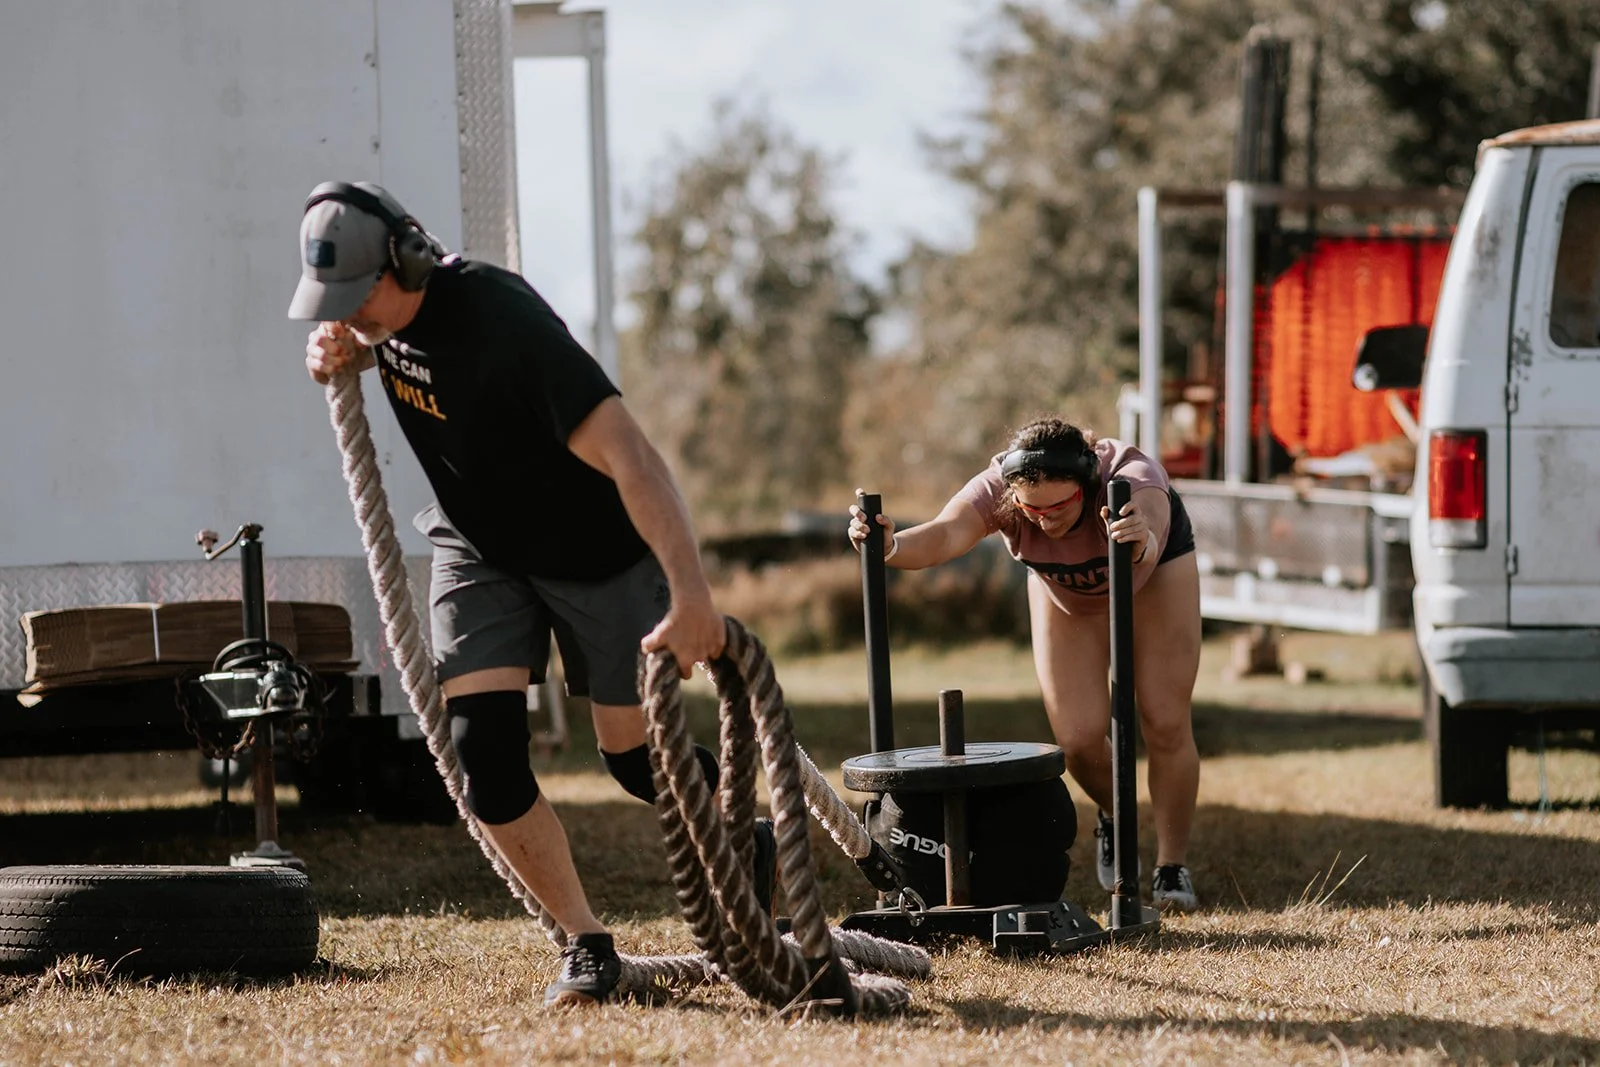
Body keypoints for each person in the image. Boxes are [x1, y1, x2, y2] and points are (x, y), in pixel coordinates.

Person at [288, 181, 775, 1006]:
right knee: (485, 758)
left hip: (597, 554)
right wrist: (348, 349)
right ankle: (587, 943)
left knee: (634, 759)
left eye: (356, 297)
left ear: (408, 259)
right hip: (480, 548)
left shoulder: (505, 323)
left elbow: (635, 458)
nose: (348, 314)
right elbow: (405, 344)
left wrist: (690, 593)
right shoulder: (384, 319)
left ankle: (740, 836)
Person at [847, 417, 1202, 911]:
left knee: (1163, 719)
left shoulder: (1132, 476)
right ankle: (1115, 818)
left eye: (1059, 507)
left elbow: (1153, 534)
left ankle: (1170, 865)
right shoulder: (999, 489)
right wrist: (890, 545)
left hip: (1153, 577)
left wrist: (1138, 536)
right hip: (1063, 595)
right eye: (1031, 509)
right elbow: (947, 535)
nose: (1045, 521)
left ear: (1086, 485)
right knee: (1078, 739)